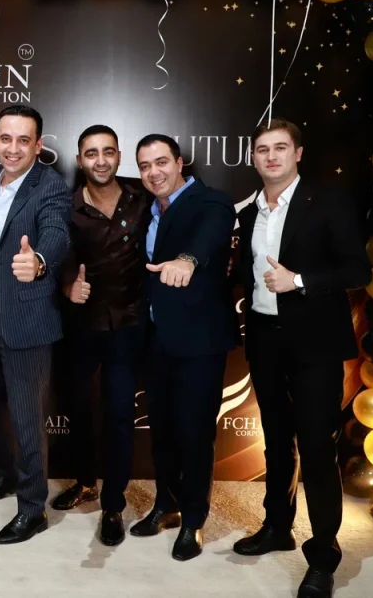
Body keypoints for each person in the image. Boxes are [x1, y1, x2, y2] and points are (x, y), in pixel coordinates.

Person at [233, 120, 370, 598]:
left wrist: (299, 281)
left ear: (298, 153)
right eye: (262, 149)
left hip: (315, 342)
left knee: (315, 447)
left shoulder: (327, 201)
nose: (271, 156)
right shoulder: (248, 212)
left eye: (280, 147)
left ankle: (324, 555)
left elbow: (358, 269)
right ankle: (277, 527)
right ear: (253, 157)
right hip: (265, 338)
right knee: (276, 441)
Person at [0, 105, 72, 545]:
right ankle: (7, 476)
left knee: (27, 419)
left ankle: (32, 509)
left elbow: (57, 233)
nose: (13, 148)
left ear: (38, 145)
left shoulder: (50, 186)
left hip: (26, 316)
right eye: (5, 139)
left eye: (23, 140)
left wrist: (40, 261)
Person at [130, 134, 238, 561]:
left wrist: (188, 260)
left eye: (161, 162)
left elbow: (212, 233)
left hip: (199, 342)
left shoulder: (211, 201)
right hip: (156, 338)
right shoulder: (149, 210)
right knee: (163, 431)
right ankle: (167, 504)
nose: (153, 172)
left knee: (194, 434)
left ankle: (194, 520)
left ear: (179, 163)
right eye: (144, 165)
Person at [55, 125, 151, 546]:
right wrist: (68, 287)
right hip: (81, 323)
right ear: (80, 160)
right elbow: (58, 257)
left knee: (118, 416)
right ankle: (84, 482)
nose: (100, 160)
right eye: (91, 153)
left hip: (129, 324)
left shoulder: (141, 196)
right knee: (80, 409)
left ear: (118, 156)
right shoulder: (66, 206)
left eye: (107, 151)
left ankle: (113, 504)